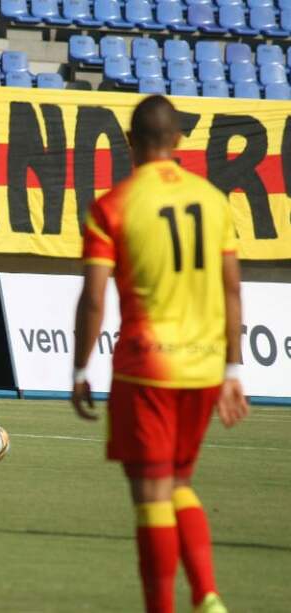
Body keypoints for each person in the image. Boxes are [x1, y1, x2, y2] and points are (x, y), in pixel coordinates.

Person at [71, 95, 249, 613]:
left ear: (129, 142)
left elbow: (94, 298)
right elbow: (232, 289)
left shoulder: (113, 205)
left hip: (147, 367)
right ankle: (208, 594)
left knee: (150, 495)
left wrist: (81, 366)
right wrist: (233, 368)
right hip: (203, 368)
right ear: (178, 141)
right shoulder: (213, 200)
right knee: (179, 484)